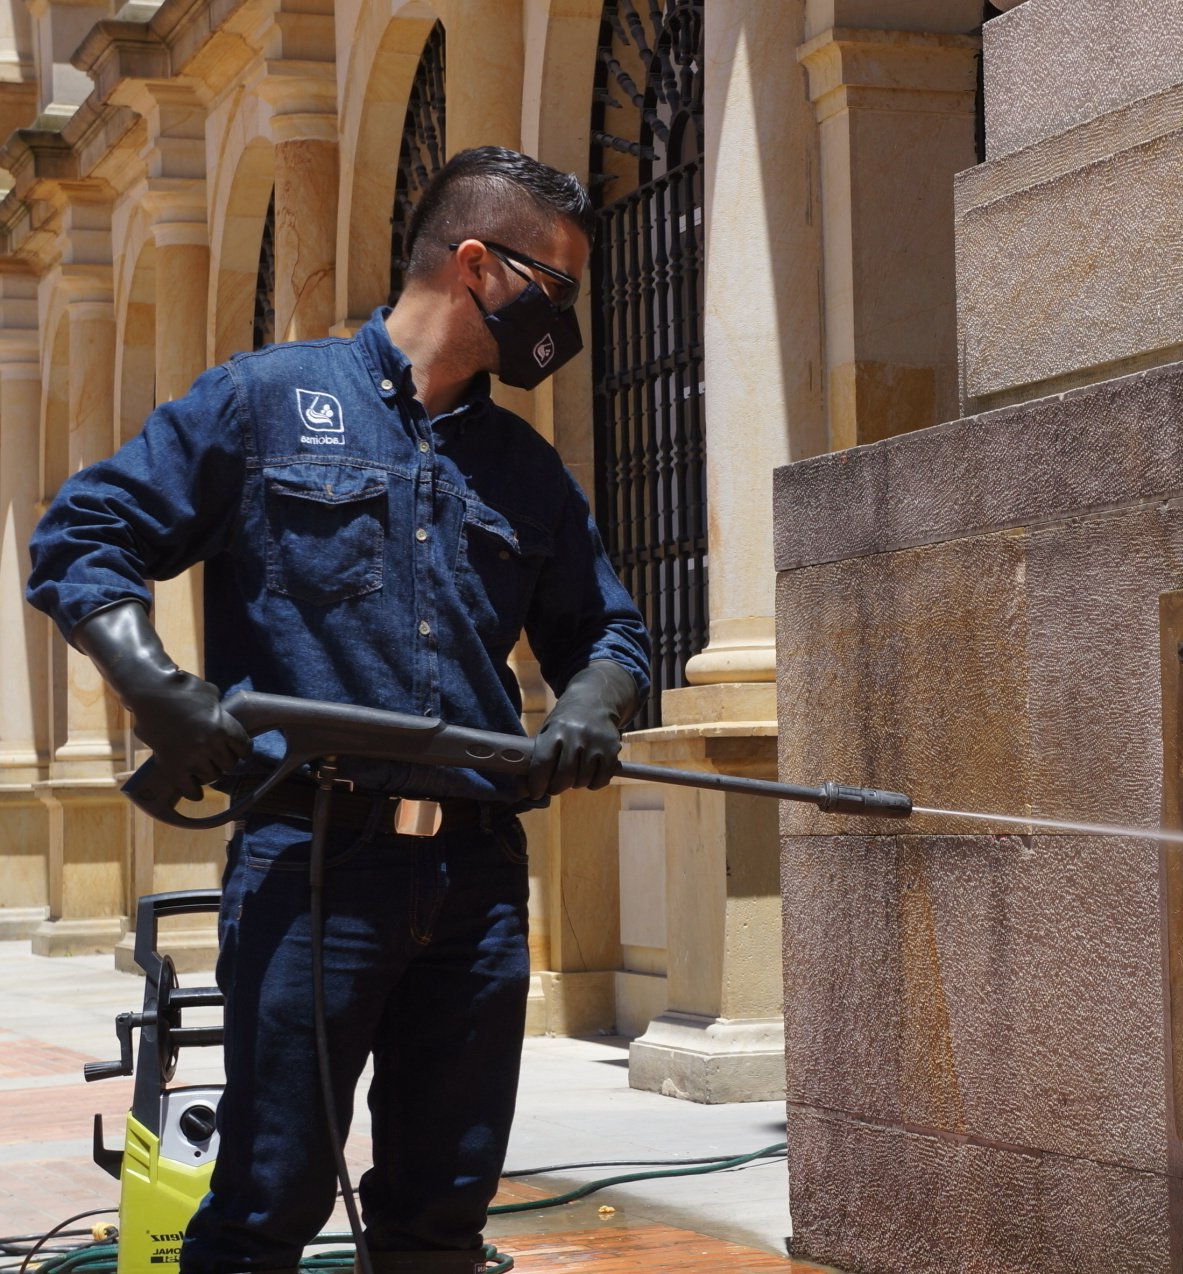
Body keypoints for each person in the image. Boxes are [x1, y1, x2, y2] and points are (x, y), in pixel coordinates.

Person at [27, 146, 651, 1274]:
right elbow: (84, 533)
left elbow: (609, 631)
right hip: (313, 866)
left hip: (475, 886)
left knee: (440, 1218)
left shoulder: (525, 469)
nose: (563, 320)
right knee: (267, 1203)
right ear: (476, 264)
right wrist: (158, 688)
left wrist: (593, 706)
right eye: (553, 287)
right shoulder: (263, 401)